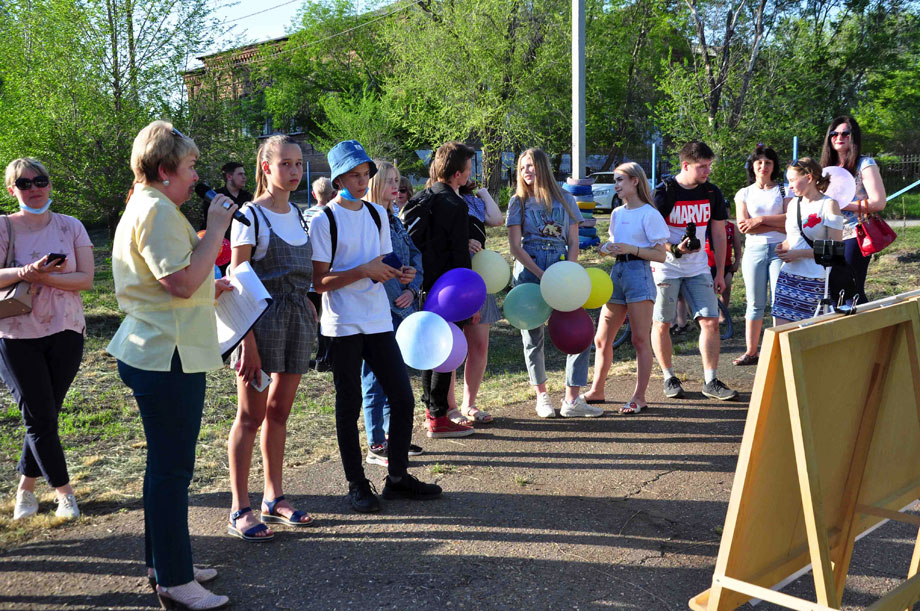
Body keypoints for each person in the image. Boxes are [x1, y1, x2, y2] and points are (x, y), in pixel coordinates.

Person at [108, 121, 234, 609]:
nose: (195, 176)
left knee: (163, 468)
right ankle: (176, 581)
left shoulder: (150, 205)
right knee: (171, 471)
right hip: (165, 355)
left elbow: (177, 278)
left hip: (162, 349)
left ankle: (165, 561)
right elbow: (179, 282)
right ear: (164, 171)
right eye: (190, 167)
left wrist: (210, 283)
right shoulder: (156, 210)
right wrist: (218, 228)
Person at [310, 140, 441, 513]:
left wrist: (403, 273)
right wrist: (363, 271)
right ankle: (356, 484)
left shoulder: (378, 215)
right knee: (348, 405)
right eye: (354, 175)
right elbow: (319, 283)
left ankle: (397, 478)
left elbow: (384, 260)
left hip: (378, 320)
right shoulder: (324, 219)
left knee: (402, 398)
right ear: (338, 179)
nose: (363, 181)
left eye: (366, 174)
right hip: (343, 325)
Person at [225, 135, 316, 542]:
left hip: (297, 318)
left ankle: (273, 497)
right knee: (250, 416)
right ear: (265, 166)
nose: (294, 171)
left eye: (298, 164)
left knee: (279, 414)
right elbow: (237, 279)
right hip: (259, 323)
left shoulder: (299, 215)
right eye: (286, 164)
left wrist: (311, 308)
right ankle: (239, 507)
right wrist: (248, 341)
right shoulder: (249, 216)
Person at [1, 158, 94, 521]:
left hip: (66, 330)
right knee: (39, 418)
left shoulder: (70, 226)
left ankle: (25, 488)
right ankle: (64, 494)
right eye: (24, 183)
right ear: (12, 190)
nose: (34, 187)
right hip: (16, 334)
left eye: (40, 180)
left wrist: (44, 277)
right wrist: (26, 271)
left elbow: (86, 279)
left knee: (46, 416)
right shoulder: (4, 226)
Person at [506, 148, 602, 418]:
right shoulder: (518, 202)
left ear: (543, 169)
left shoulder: (566, 200)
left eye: (532, 166)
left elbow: (573, 242)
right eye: (523, 167)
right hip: (529, 273)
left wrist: (567, 272)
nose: (527, 171)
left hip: (561, 271)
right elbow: (515, 247)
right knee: (533, 337)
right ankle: (542, 396)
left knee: (579, 332)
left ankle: (572, 399)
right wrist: (541, 274)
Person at [651, 141, 738, 401]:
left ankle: (710, 381)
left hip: (699, 268)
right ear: (685, 165)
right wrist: (674, 248)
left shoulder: (712, 192)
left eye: (709, 166)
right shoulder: (664, 192)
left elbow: (720, 233)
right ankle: (669, 377)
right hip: (666, 268)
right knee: (663, 323)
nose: (707, 172)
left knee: (710, 321)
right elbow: (652, 234)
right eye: (702, 167)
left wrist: (720, 272)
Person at [406, 142, 478, 437]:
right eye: (470, 169)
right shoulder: (455, 204)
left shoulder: (422, 198)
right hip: (449, 287)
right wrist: (470, 301)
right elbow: (460, 256)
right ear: (458, 173)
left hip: (423, 284)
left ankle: (429, 412)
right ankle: (438, 417)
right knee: (446, 349)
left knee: (428, 347)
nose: (470, 174)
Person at [584, 162, 668, 414]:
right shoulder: (618, 213)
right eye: (615, 180)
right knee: (602, 338)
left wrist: (631, 249)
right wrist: (605, 249)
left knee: (640, 339)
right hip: (618, 273)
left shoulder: (650, 214)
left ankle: (639, 397)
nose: (616, 185)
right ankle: (597, 390)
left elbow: (661, 255)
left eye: (620, 180)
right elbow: (613, 242)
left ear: (635, 181)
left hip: (639, 273)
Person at [361, 160, 425, 466]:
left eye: (397, 180)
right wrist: (396, 292)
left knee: (396, 376)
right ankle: (376, 443)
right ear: (375, 184)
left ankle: (394, 437)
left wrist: (412, 286)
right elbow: (368, 267)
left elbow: (414, 257)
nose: (396, 187)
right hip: (377, 310)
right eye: (389, 181)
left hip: (403, 307)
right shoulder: (365, 220)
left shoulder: (395, 219)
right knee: (374, 377)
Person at [447, 180, 504, 425]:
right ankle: (450, 408)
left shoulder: (472, 201)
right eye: (466, 168)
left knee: (479, 345)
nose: (468, 174)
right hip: (453, 280)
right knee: (451, 349)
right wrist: (461, 244)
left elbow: (496, 219)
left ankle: (469, 404)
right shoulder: (439, 199)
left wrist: (482, 192)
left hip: (482, 278)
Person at [820, 115, 887, 304]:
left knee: (849, 290)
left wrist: (842, 205)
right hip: (826, 234)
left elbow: (879, 202)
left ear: (853, 136)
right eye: (834, 133)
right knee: (829, 290)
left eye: (845, 133)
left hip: (853, 234)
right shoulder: (825, 168)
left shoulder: (865, 164)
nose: (838, 137)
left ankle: (868, 331)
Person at [733, 145, 788, 366]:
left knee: (778, 301)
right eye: (759, 162)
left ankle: (779, 350)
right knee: (755, 303)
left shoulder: (785, 190)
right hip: (754, 251)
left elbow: (789, 221)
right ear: (753, 166)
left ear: (774, 166)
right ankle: (751, 351)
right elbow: (743, 226)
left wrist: (760, 220)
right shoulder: (744, 193)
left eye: (768, 162)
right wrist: (771, 223)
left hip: (779, 251)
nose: (763, 166)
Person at [772, 158, 843, 323]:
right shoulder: (793, 204)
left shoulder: (829, 205)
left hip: (816, 281)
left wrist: (798, 254)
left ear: (809, 178)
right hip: (787, 277)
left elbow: (835, 249)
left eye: (792, 180)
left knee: (809, 340)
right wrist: (783, 247)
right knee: (782, 336)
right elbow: (792, 239)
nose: (789, 186)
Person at [306, 175, 337, 372]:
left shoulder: (306, 214)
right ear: (333, 194)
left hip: (308, 275)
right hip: (326, 274)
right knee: (325, 317)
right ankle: (325, 357)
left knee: (311, 317)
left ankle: (309, 354)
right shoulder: (332, 215)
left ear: (313, 194)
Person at [706, 207, 742, 324]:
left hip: (726, 265)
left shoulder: (732, 228)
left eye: (727, 209)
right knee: (709, 292)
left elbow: (737, 248)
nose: (725, 212)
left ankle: (723, 315)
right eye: (723, 209)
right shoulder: (707, 226)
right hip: (708, 265)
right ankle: (711, 315)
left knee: (726, 289)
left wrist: (736, 262)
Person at [200, 161, 253, 238]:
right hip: (221, 243)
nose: (244, 177)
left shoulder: (249, 197)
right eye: (240, 174)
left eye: (244, 174)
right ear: (229, 177)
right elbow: (207, 223)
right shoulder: (215, 197)